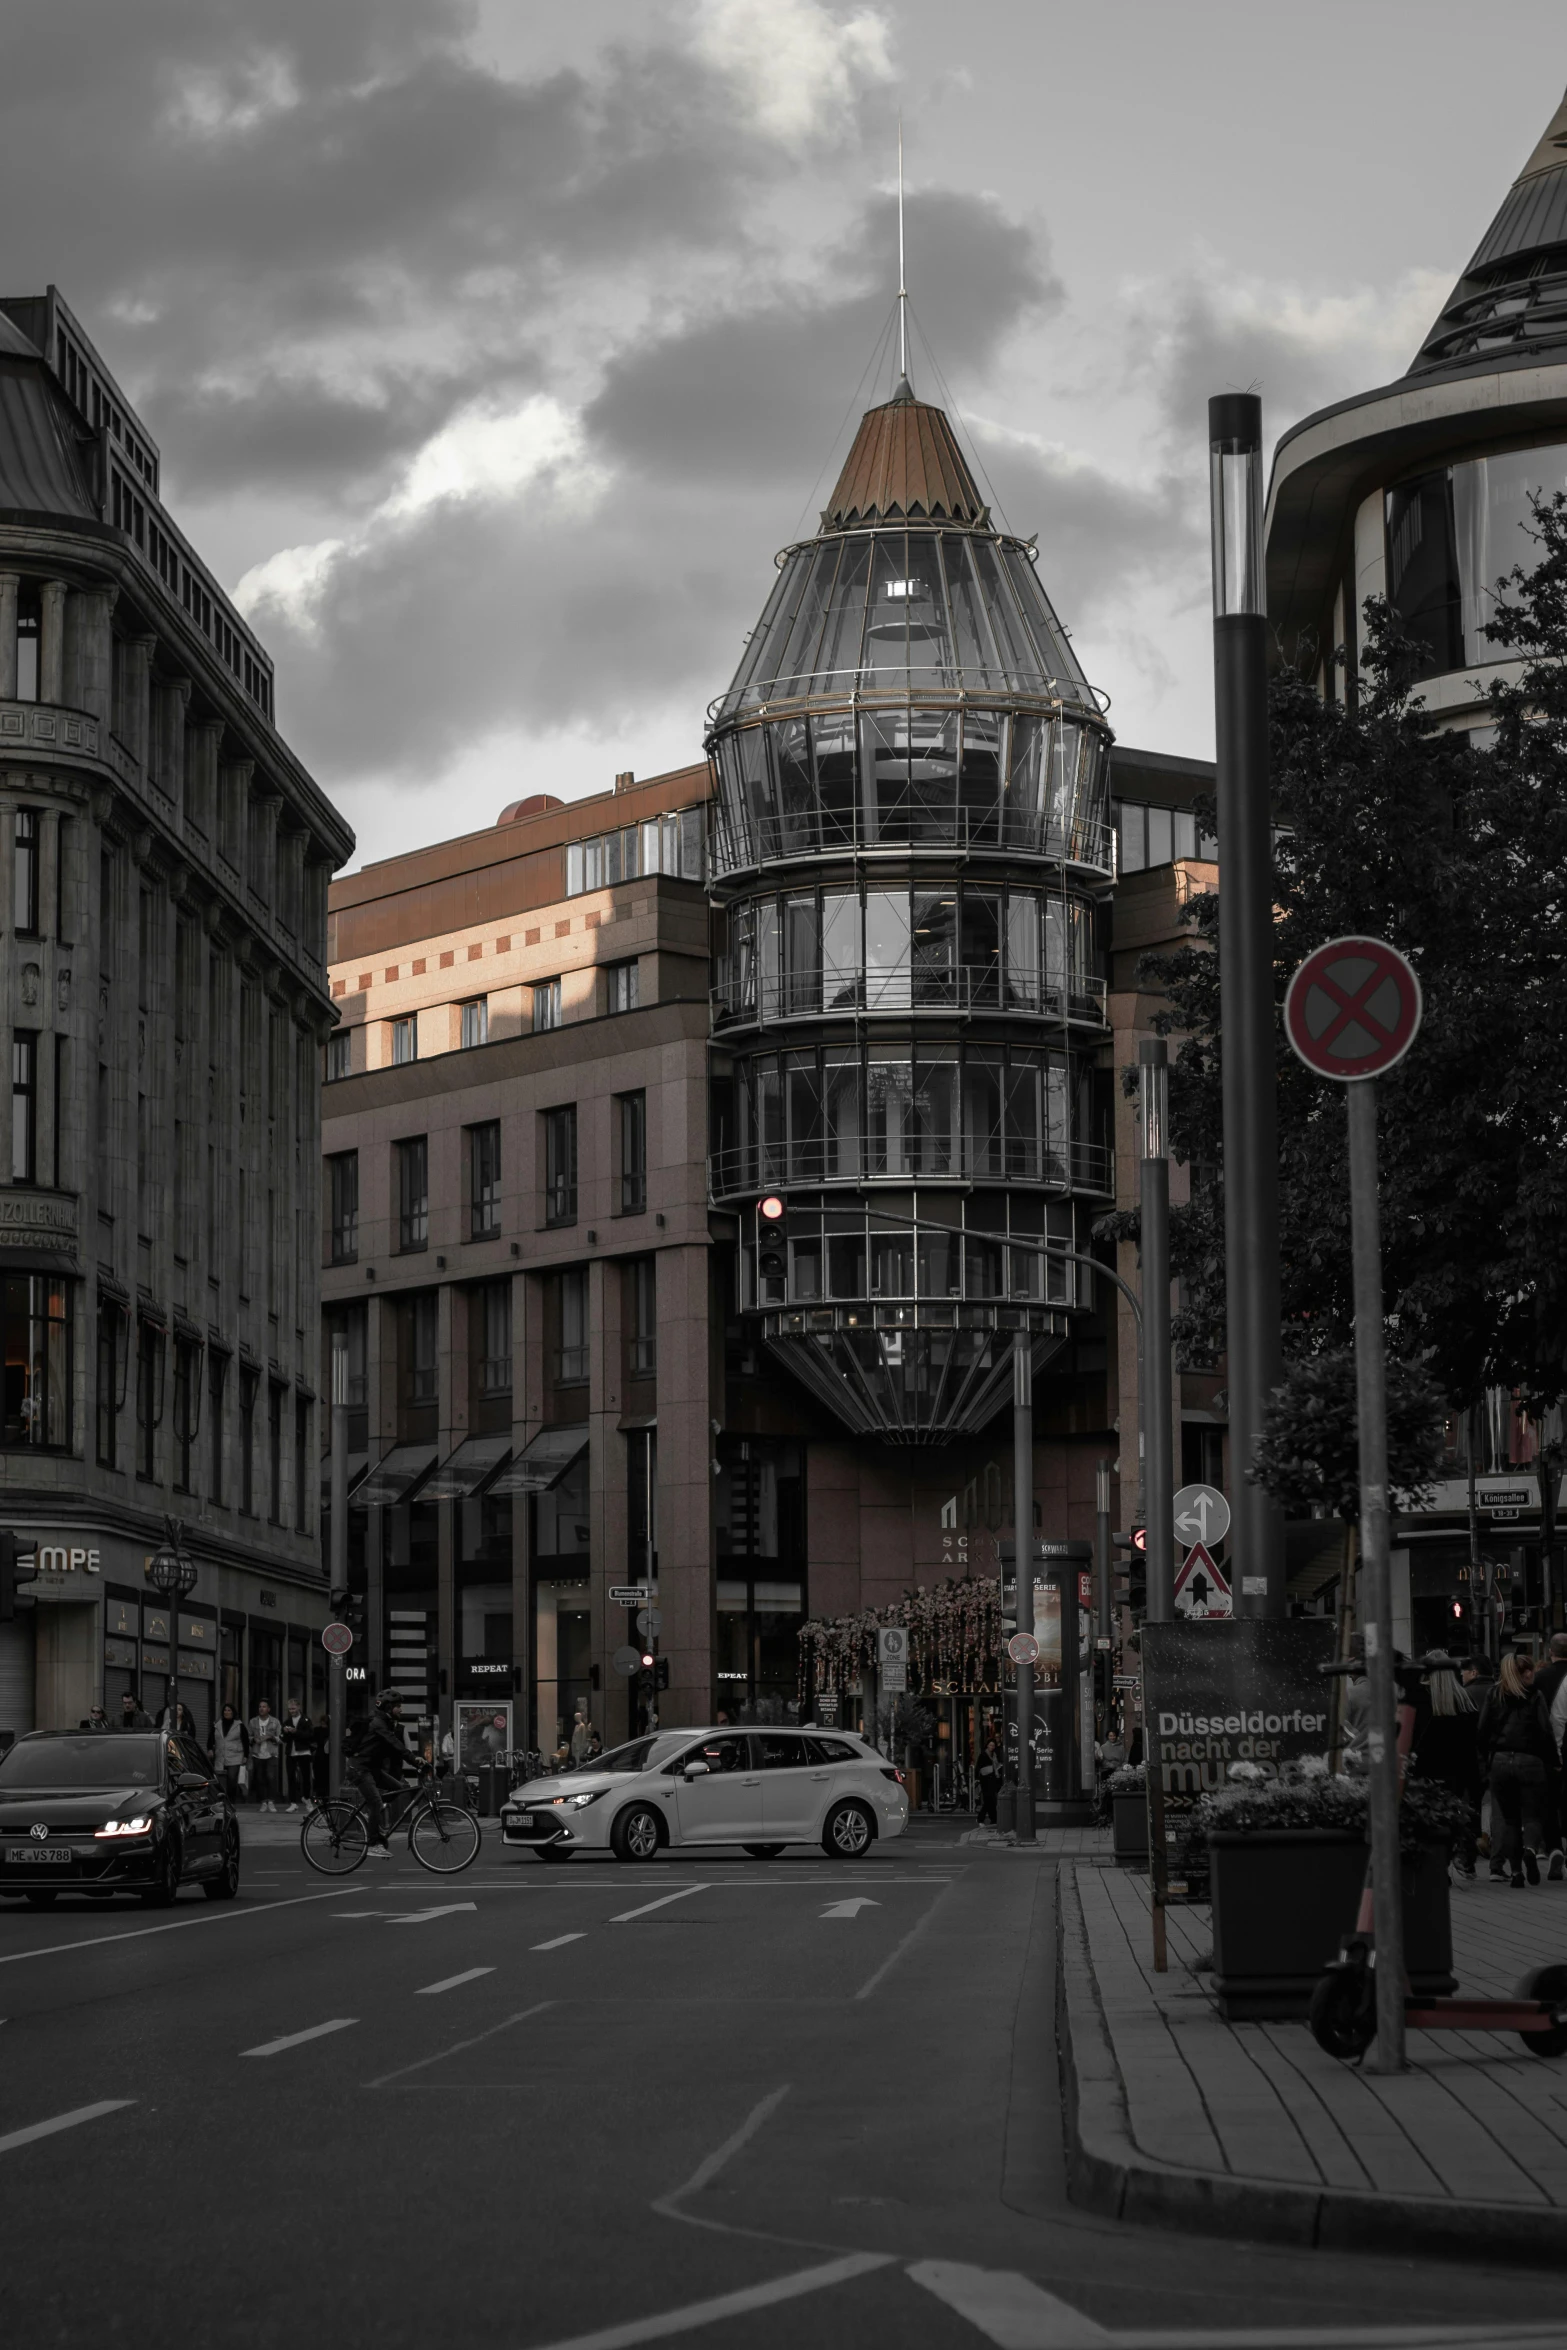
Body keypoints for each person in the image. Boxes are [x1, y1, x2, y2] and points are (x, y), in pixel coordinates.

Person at [1476, 1653, 1557, 1887]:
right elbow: (1545, 1731)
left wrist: (1484, 1764)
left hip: (1500, 1761)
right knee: (1532, 1814)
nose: (1531, 1674)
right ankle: (1530, 1850)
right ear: (1517, 1673)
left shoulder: (1494, 1694)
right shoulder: (1535, 1696)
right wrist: (1553, 1761)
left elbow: (1482, 1731)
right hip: (1530, 1761)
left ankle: (1515, 1872)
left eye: (1531, 1669)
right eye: (1526, 1670)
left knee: (1509, 1818)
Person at [1413, 1664, 1481, 1879]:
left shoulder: (1420, 1700)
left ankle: (1436, 1865)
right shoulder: (1464, 1702)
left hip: (1426, 1771)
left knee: (1429, 1819)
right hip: (1457, 1771)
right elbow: (1472, 1743)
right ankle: (1450, 1858)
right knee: (1452, 1818)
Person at [345, 1689, 419, 1856]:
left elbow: (394, 1749)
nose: (401, 1710)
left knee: (397, 1787)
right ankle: (373, 1845)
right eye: (398, 1706)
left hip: (371, 1768)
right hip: (359, 1769)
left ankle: (372, 1814)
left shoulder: (386, 1722)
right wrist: (414, 1761)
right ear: (388, 1707)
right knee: (376, 1803)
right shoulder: (378, 1723)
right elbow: (396, 1745)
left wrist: (415, 1761)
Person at [1533, 1631, 1567, 1882]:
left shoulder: (1539, 1678)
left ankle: (1555, 1847)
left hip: (1548, 1751)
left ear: (1550, 1652)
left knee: (1549, 1802)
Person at [248, 1697, 284, 1812]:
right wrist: (254, 1739)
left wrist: (270, 1737)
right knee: (260, 1778)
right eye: (260, 1707)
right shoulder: (253, 1721)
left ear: (268, 1709)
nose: (261, 1708)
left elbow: (281, 1738)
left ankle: (271, 1801)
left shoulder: (275, 1721)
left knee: (271, 1777)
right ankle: (263, 1802)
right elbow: (248, 1736)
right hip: (257, 1753)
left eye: (264, 1707)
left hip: (271, 1753)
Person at [282, 1697, 315, 1813]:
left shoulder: (306, 1720)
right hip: (291, 1753)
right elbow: (284, 1739)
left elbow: (310, 1736)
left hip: (304, 1752)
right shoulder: (287, 1722)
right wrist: (285, 1733)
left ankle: (307, 1800)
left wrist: (296, 1732)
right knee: (291, 1777)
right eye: (290, 1709)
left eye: (293, 1708)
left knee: (306, 1778)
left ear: (299, 1707)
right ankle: (293, 1802)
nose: (292, 1711)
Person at [213, 1704, 249, 1805]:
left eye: (229, 1710)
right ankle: (222, 1800)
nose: (226, 1712)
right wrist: (209, 1749)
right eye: (225, 1710)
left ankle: (231, 1801)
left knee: (232, 1779)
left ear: (233, 1712)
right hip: (220, 1756)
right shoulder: (217, 1725)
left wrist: (246, 1756)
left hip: (235, 1756)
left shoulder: (239, 1725)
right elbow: (210, 1738)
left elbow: (245, 1741)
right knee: (220, 1781)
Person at [975, 1736, 1001, 1825]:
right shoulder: (983, 1755)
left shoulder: (995, 1755)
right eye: (990, 1745)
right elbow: (978, 1767)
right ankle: (981, 1818)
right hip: (985, 1780)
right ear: (987, 1746)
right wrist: (976, 1779)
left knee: (991, 1800)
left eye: (993, 1745)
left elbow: (997, 1765)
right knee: (988, 1800)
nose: (992, 1747)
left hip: (993, 1780)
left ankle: (994, 1819)